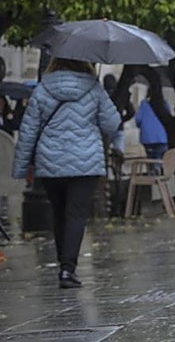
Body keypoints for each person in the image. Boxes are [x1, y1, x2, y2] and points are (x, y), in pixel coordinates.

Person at [12, 57, 120, 289]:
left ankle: (64, 265)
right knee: (76, 214)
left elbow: (28, 131)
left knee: (59, 212)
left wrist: (21, 167)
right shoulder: (94, 88)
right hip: (86, 163)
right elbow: (112, 124)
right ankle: (67, 269)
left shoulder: (43, 89)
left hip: (51, 162)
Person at [134, 91, 169, 161]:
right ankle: (158, 170)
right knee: (161, 159)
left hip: (148, 138)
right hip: (162, 138)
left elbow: (138, 119)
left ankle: (154, 170)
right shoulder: (164, 103)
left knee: (151, 160)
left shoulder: (144, 104)